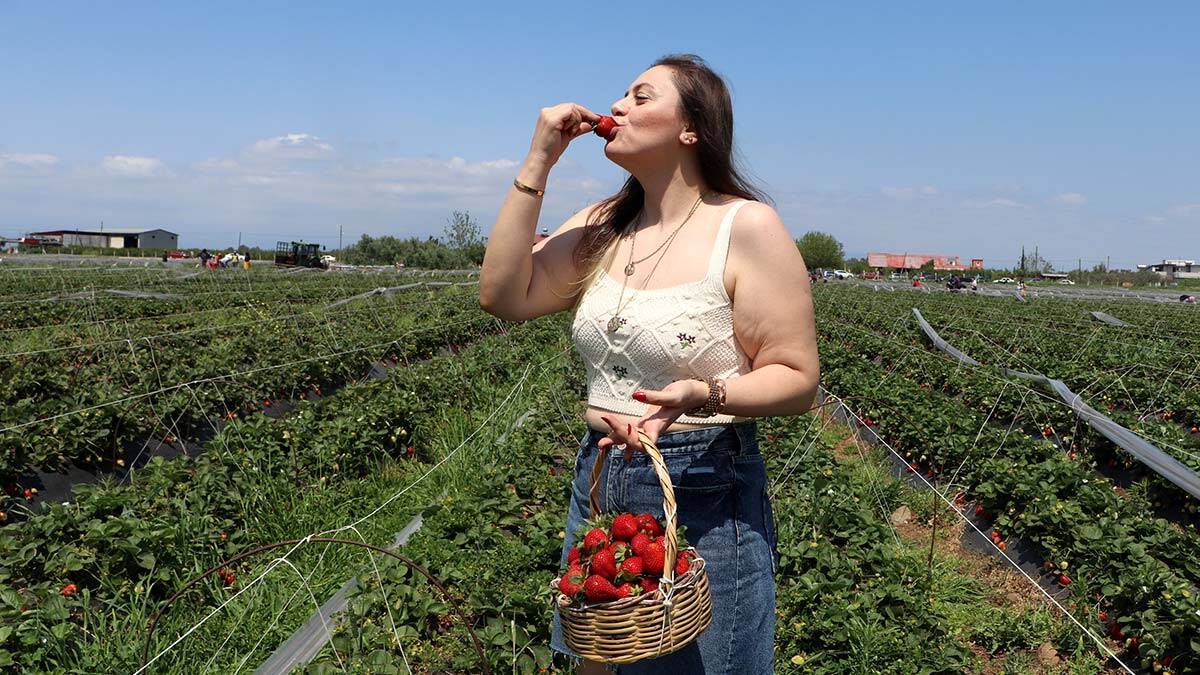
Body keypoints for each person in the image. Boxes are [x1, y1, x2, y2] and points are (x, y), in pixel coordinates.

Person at [479, 54, 819, 674]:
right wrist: (538, 164)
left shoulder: (744, 227)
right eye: (621, 97)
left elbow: (798, 378)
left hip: (704, 486)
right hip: (602, 477)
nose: (616, 108)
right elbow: (502, 296)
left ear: (692, 129)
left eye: (640, 97)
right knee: (599, 662)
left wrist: (704, 393)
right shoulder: (602, 226)